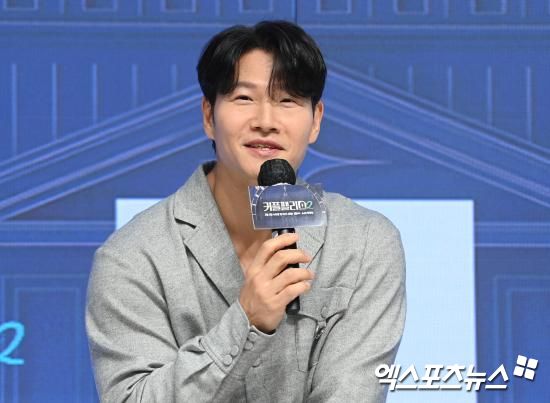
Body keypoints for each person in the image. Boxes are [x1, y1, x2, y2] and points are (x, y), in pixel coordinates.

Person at [86, 20, 406, 402]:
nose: (265, 122)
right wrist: (246, 320)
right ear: (209, 116)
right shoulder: (132, 257)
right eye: (243, 98)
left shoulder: (365, 243)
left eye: (287, 100)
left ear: (316, 120)